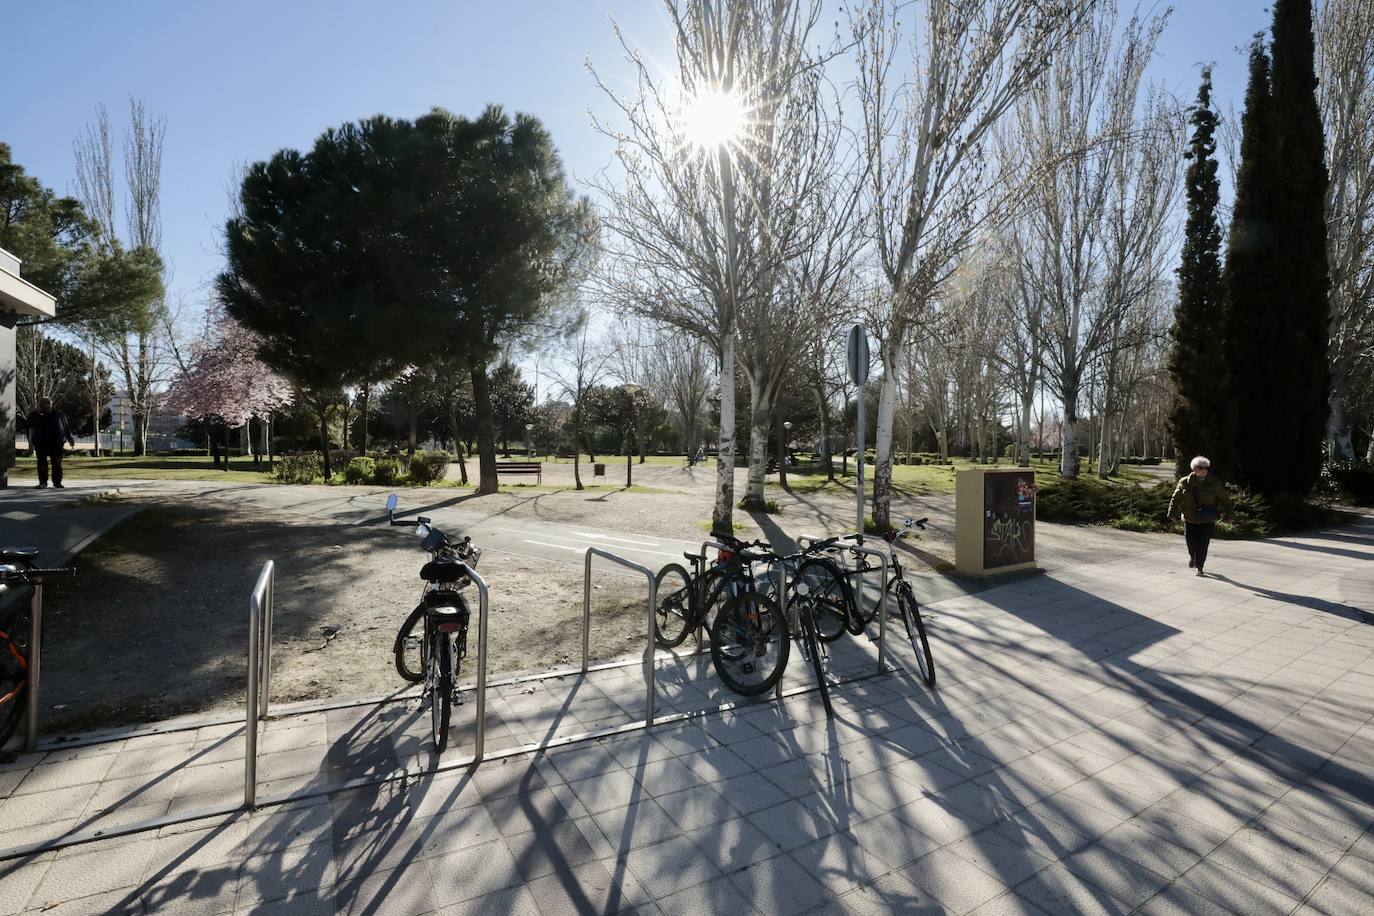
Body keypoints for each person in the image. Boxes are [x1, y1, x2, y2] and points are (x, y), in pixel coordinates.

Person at [1167, 455, 1231, 577]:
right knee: (1190, 542)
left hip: (1207, 519)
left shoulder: (1214, 483)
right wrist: (1171, 514)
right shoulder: (1185, 482)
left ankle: (1199, 566)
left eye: (1206, 468)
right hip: (1189, 518)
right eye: (1201, 467)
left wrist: (1229, 516)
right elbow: (1175, 499)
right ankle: (1193, 557)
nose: (1204, 470)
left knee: (1203, 544)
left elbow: (1225, 499)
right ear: (1194, 469)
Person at [26, 397, 75, 489]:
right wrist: (31, 441)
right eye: (43, 404)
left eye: (48, 403)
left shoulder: (59, 415)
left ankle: (57, 482)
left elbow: (66, 427)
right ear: (39, 405)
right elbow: (29, 428)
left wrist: (70, 439)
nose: (46, 405)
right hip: (41, 443)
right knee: (41, 463)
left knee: (56, 462)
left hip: (56, 443)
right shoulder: (34, 415)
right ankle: (42, 483)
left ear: (51, 404)